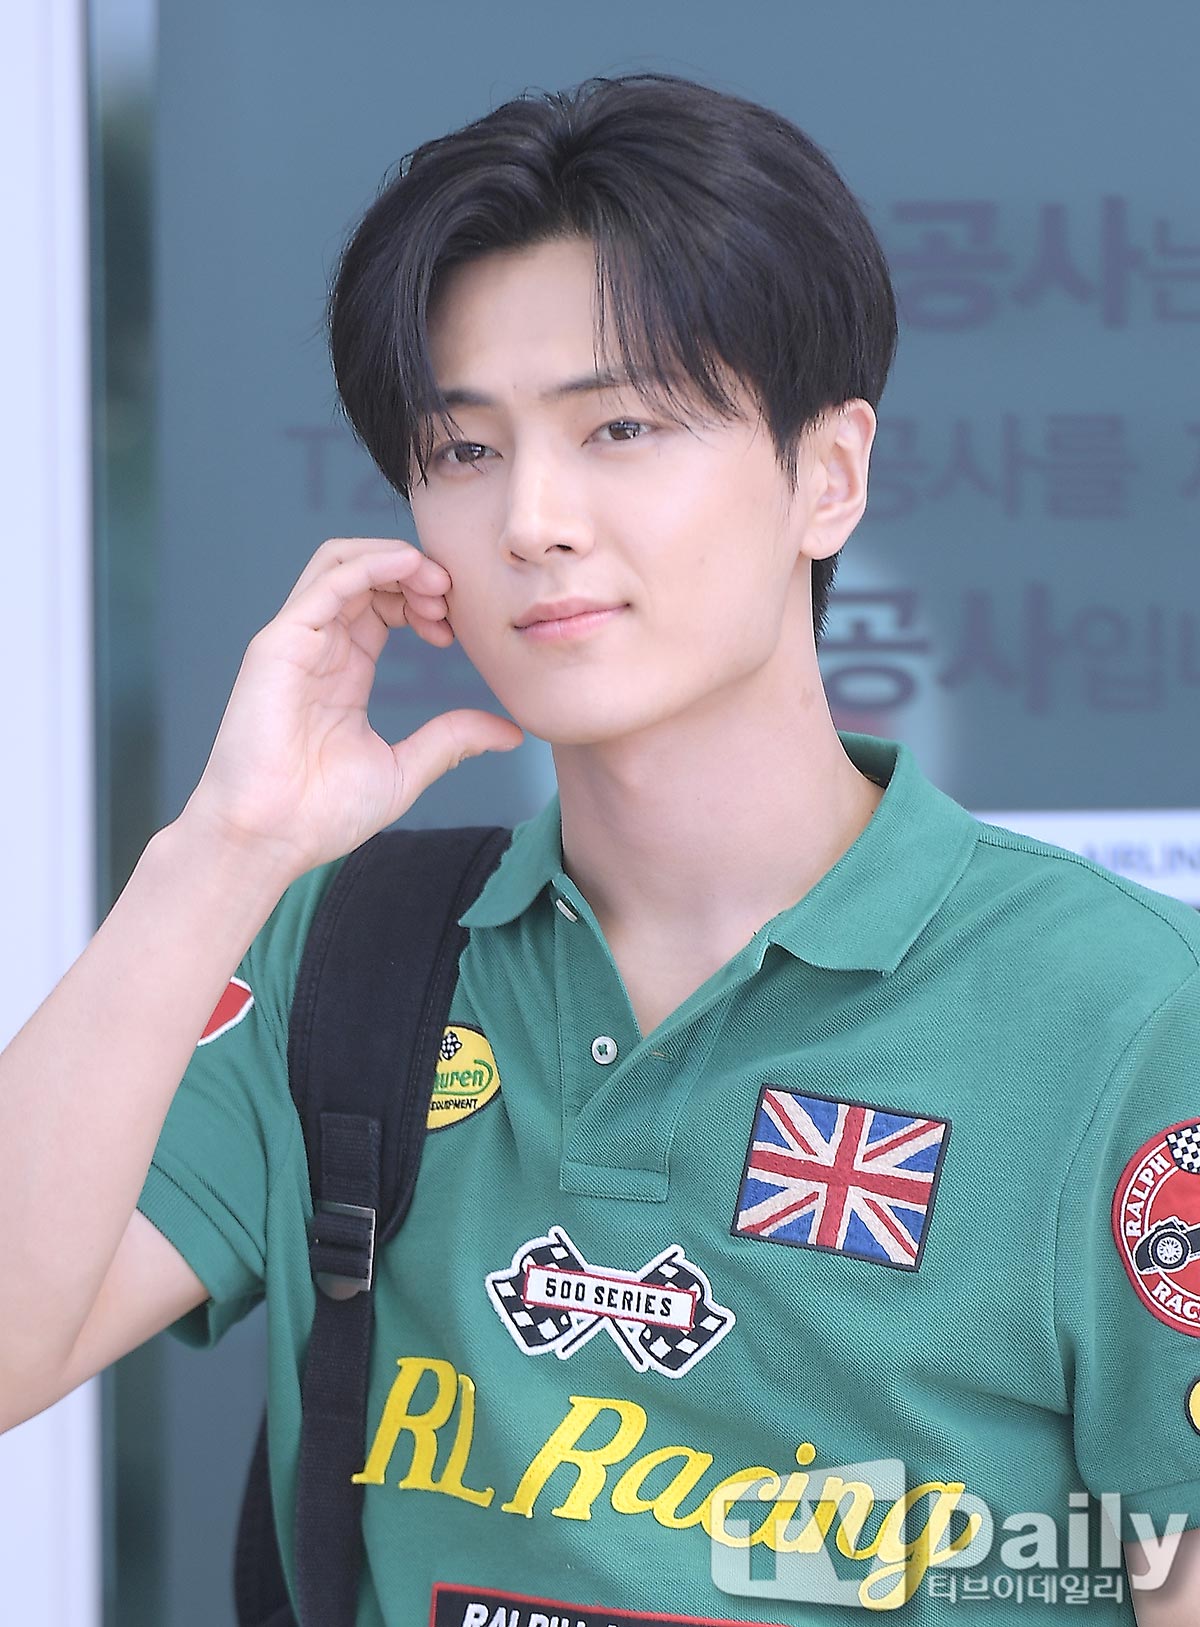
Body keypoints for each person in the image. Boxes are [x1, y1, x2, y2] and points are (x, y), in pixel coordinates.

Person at [1, 69, 1198, 1626]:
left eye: (621, 425)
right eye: (463, 450)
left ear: (829, 476)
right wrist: (222, 848)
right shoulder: (346, 956)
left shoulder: (1127, 1015)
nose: (534, 519)